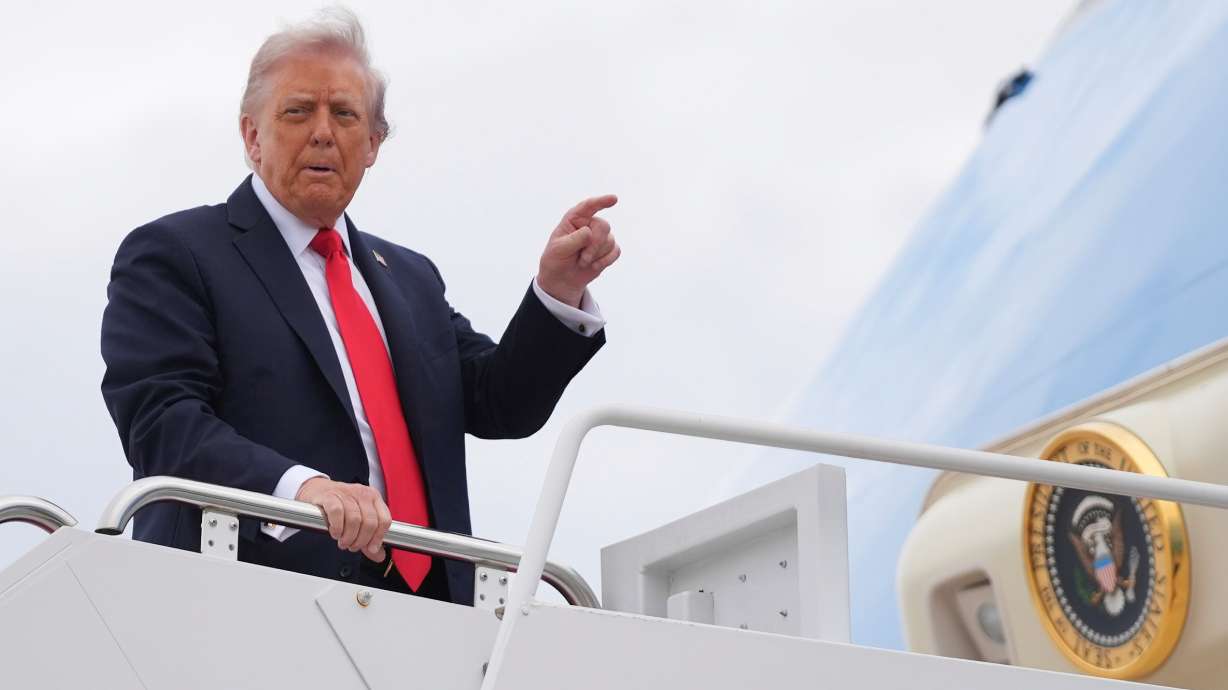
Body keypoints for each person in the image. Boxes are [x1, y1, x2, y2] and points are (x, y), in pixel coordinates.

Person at [99, 8, 618, 606]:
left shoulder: (412, 280)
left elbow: (501, 403)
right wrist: (301, 490)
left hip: (431, 614)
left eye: (344, 114)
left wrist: (557, 292)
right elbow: (161, 422)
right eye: (298, 111)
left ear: (372, 144)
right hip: (248, 602)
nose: (323, 132)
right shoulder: (177, 254)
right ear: (252, 136)